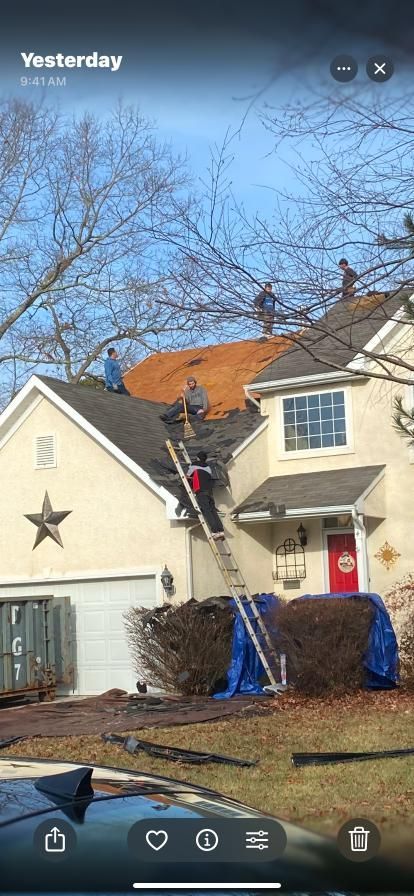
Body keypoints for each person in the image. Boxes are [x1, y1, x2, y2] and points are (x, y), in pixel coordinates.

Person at [187, 451, 225, 540]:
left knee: (207, 511)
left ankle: (215, 532)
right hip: (210, 492)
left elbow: (187, 476)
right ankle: (221, 531)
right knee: (213, 511)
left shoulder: (194, 466)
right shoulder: (208, 468)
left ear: (198, 458)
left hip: (201, 492)